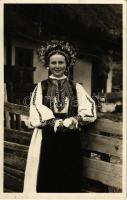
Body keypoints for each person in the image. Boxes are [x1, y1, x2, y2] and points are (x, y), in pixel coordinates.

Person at [23, 40, 97, 193]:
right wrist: (53, 122)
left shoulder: (76, 87)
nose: (57, 66)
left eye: (61, 62)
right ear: (48, 65)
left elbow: (89, 109)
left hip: (71, 139)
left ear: (67, 64)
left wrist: (74, 120)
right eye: (54, 62)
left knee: (69, 176)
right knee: (48, 176)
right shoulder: (41, 86)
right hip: (48, 138)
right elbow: (36, 108)